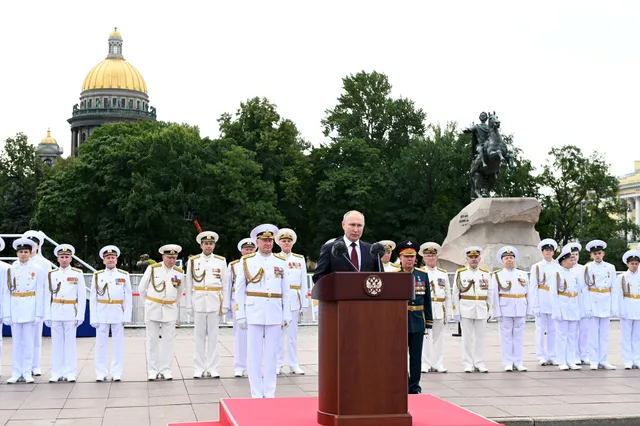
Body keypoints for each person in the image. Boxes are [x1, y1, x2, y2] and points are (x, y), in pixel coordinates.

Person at [235, 224, 292, 398]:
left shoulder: (281, 262)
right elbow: (239, 290)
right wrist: (241, 314)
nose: (267, 243)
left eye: (269, 240)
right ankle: (256, 392)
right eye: (264, 240)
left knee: (272, 355)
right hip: (254, 311)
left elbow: (286, 291)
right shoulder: (247, 261)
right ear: (257, 242)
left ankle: (270, 391)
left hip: (274, 311)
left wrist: (286, 314)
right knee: (254, 355)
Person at [186, 231, 230, 379]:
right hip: (198, 301)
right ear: (201, 245)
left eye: (211, 244)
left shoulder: (221, 260)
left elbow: (225, 284)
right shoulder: (193, 260)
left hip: (214, 302)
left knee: (213, 337)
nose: (208, 246)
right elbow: (188, 284)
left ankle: (213, 367)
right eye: (206, 243)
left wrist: (225, 304)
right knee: (198, 337)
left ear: (214, 245)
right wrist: (188, 305)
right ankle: (198, 367)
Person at [139, 244, 184, 380]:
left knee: (168, 341)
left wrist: (173, 304)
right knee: (152, 341)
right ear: (163, 257)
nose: (171, 260)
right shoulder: (153, 269)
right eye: (169, 257)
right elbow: (142, 289)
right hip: (153, 307)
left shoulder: (179, 272)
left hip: (169, 309)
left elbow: (179, 292)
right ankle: (152, 370)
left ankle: (166, 369)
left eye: (174, 257)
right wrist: (147, 304)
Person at [3, 238, 45, 384]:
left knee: (28, 342)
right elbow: (6, 292)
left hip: (30, 307)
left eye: (26, 252)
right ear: (17, 253)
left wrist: (39, 313)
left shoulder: (37, 270)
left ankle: (27, 372)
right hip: (15, 307)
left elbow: (40, 292)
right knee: (16, 343)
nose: (23, 254)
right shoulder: (11, 270)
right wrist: (6, 313)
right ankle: (16, 372)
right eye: (20, 252)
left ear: (31, 253)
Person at [393, 240, 432, 394]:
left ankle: (414, 386)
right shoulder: (395, 276)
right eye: (406, 257)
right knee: (400, 357)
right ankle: (402, 384)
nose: (409, 259)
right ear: (400, 258)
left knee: (416, 357)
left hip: (417, 320)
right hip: (400, 320)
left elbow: (427, 299)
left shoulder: (422, 275)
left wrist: (428, 322)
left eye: (412, 257)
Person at [44, 244, 86, 382]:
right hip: (55, 311)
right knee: (56, 344)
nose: (64, 259)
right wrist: (47, 315)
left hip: (70, 312)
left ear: (70, 259)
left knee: (70, 344)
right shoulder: (51, 274)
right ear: (57, 259)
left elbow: (81, 296)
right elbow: (46, 297)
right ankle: (56, 372)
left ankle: (70, 372)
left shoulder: (77, 274)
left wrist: (80, 315)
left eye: (67, 257)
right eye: (61, 257)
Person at [91, 245, 132, 382]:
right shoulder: (97, 276)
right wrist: (93, 317)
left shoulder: (123, 275)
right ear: (103, 260)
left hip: (117, 312)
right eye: (108, 258)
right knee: (101, 344)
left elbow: (128, 297)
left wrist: (127, 316)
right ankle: (101, 372)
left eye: (112, 258)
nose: (110, 260)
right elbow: (93, 298)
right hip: (102, 312)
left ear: (117, 259)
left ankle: (116, 372)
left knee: (118, 344)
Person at [451, 246, 492, 373]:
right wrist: (456, 311)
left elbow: (490, 293)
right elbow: (455, 292)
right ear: (466, 259)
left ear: (479, 258)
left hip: (481, 307)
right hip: (466, 307)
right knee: (467, 338)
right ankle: (467, 363)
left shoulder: (485, 273)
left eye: (476, 257)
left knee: (480, 338)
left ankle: (479, 362)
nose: (473, 259)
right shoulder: (461, 272)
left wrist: (491, 310)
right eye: (471, 257)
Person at [491, 246, 531, 372]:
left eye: (511, 258)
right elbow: (494, 295)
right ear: (502, 261)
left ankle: (518, 362)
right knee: (506, 337)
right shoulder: (497, 275)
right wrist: (496, 312)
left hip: (520, 307)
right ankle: (508, 362)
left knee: (519, 337)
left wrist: (529, 310)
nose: (509, 260)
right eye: (506, 258)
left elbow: (528, 293)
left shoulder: (523, 274)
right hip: (505, 308)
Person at [312, 210, 380, 283]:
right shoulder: (329, 248)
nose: (356, 230)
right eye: (352, 225)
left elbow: (382, 277)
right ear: (343, 225)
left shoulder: (372, 249)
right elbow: (318, 277)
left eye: (359, 225)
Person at [275, 228, 308, 375]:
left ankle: (294, 364)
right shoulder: (274, 258)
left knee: (292, 335)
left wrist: (304, 303)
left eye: (289, 241)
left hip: (294, 299)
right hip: (279, 299)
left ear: (292, 243)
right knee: (278, 334)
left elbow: (303, 282)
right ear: (279, 243)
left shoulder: (299, 259)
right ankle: (278, 364)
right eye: (283, 241)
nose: (286, 243)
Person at [21, 230, 52, 377]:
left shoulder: (44, 264)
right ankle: (22, 365)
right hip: (21, 304)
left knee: (36, 338)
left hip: (37, 303)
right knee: (22, 338)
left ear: (38, 246)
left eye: (34, 245)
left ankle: (35, 365)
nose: (32, 248)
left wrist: (45, 309)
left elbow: (47, 288)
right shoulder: (18, 263)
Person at [583, 239, 617, 370]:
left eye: (600, 253)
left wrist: (614, 306)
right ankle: (593, 360)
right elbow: (584, 289)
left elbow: (614, 287)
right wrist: (587, 307)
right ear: (591, 255)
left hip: (605, 302)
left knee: (604, 334)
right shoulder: (587, 268)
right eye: (595, 253)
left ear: (603, 254)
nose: (597, 255)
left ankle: (604, 360)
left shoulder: (610, 267)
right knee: (592, 333)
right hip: (593, 300)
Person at [418, 242, 451, 373]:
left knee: (439, 338)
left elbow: (448, 294)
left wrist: (448, 312)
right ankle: (425, 364)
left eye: (433, 256)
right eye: (428, 256)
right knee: (426, 337)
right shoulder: (420, 272)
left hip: (439, 309)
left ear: (437, 258)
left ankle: (438, 363)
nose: (431, 258)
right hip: (426, 309)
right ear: (424, 259)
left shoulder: (443, 274)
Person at [550, 245, 582, 371]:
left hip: (573, 308)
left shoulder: (574, 275)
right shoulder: (556, 274)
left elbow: (577, 293)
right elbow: (553, 294)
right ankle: (561, 360)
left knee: (572, 335)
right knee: (561, 336)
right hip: (562, 308)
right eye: (570, 259)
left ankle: (571, 360)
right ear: (563, 261)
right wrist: (556, 310)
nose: (572, 261)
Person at [529, 238, 560, 366]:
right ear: (542, 252)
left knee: (553, 330)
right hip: (541, 299)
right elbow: (533, 287)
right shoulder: (536, 267)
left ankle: (552, 355)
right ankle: (541, 355)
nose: (548, 253)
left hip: (553, 301)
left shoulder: (558, 266)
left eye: (550, 250)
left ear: (553, 252)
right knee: (540, 329)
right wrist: (535, 304)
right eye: (546, 250)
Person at [228, 237, 256, 377]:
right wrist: (227, 307)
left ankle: (253, 365)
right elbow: (228, 287)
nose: (248, 251)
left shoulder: (258, 263)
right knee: (239, 336)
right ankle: (239, 366)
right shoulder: (234, 265)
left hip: (254, 302)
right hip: (237, 303)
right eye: (246, 249)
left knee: (255, 336)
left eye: (251, 249)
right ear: (241, 251)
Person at [616, 249, 640, 369]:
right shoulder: (622, 277)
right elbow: (619, 295)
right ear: (627, 264)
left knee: (637, 336)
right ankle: (627, 361)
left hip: (638, 308)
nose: (634, 266)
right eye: (632, 263)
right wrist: (620, 310)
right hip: (627, 307)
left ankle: (637, 359)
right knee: (626, 336)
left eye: (636, 263)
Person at [567, 242, 589, 365]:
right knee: (573, 331)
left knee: (585, 331)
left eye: (576, 254)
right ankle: (574, 355)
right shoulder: (565, 270)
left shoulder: (584, 269)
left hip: (583, 303)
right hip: (572, 303)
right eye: (572, 255)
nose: (574, 257)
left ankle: (584, 354)